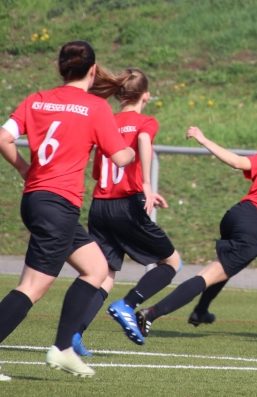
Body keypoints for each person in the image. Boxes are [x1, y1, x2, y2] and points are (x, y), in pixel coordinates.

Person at [0, 41, 135, 381]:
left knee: (96, 268)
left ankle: (63, 348)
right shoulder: (96, 107)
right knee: (32, 287)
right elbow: (120, 157)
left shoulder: (36, 100)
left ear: (60, 69)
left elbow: (1, 138)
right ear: (92, 70)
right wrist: (131, 148)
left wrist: (25, 169)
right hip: (58, 204)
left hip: (38, 200)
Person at [128, 125, 257, 341]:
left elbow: (236, 162)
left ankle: (201, 310)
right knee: (207, 276)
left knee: (225, 266)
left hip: (236, 215)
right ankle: (150, 314)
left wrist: (204, 139)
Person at [70, 68, 182, 355]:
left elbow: (97, 171)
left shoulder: (107, 121)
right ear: (146, 96)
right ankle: (128, 304)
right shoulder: (145, 122)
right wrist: (147, 185)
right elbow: (143, 140)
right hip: (126, 205)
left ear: (119, 94)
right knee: (171, 262)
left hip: (100, 205)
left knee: (103, 274)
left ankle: (74, 335)